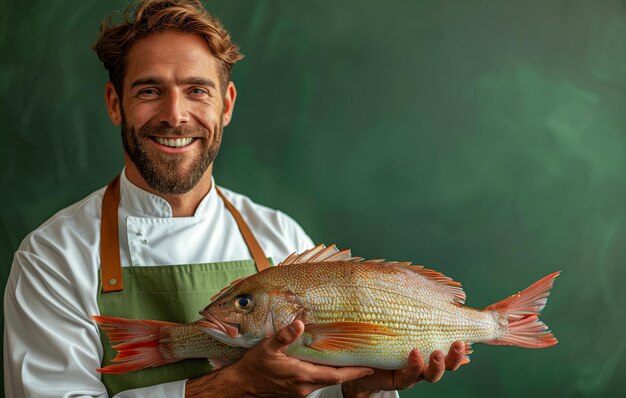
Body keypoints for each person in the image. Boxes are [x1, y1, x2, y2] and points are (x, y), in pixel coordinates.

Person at [3, 1, 466, 397]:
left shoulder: (280, 236)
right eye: (149, 91)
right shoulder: (52, 258)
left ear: (225, 104)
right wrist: (228, 388)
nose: (175, 115)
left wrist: (356, 391)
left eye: (196, 91)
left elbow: (323, 382)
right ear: (114, 103)